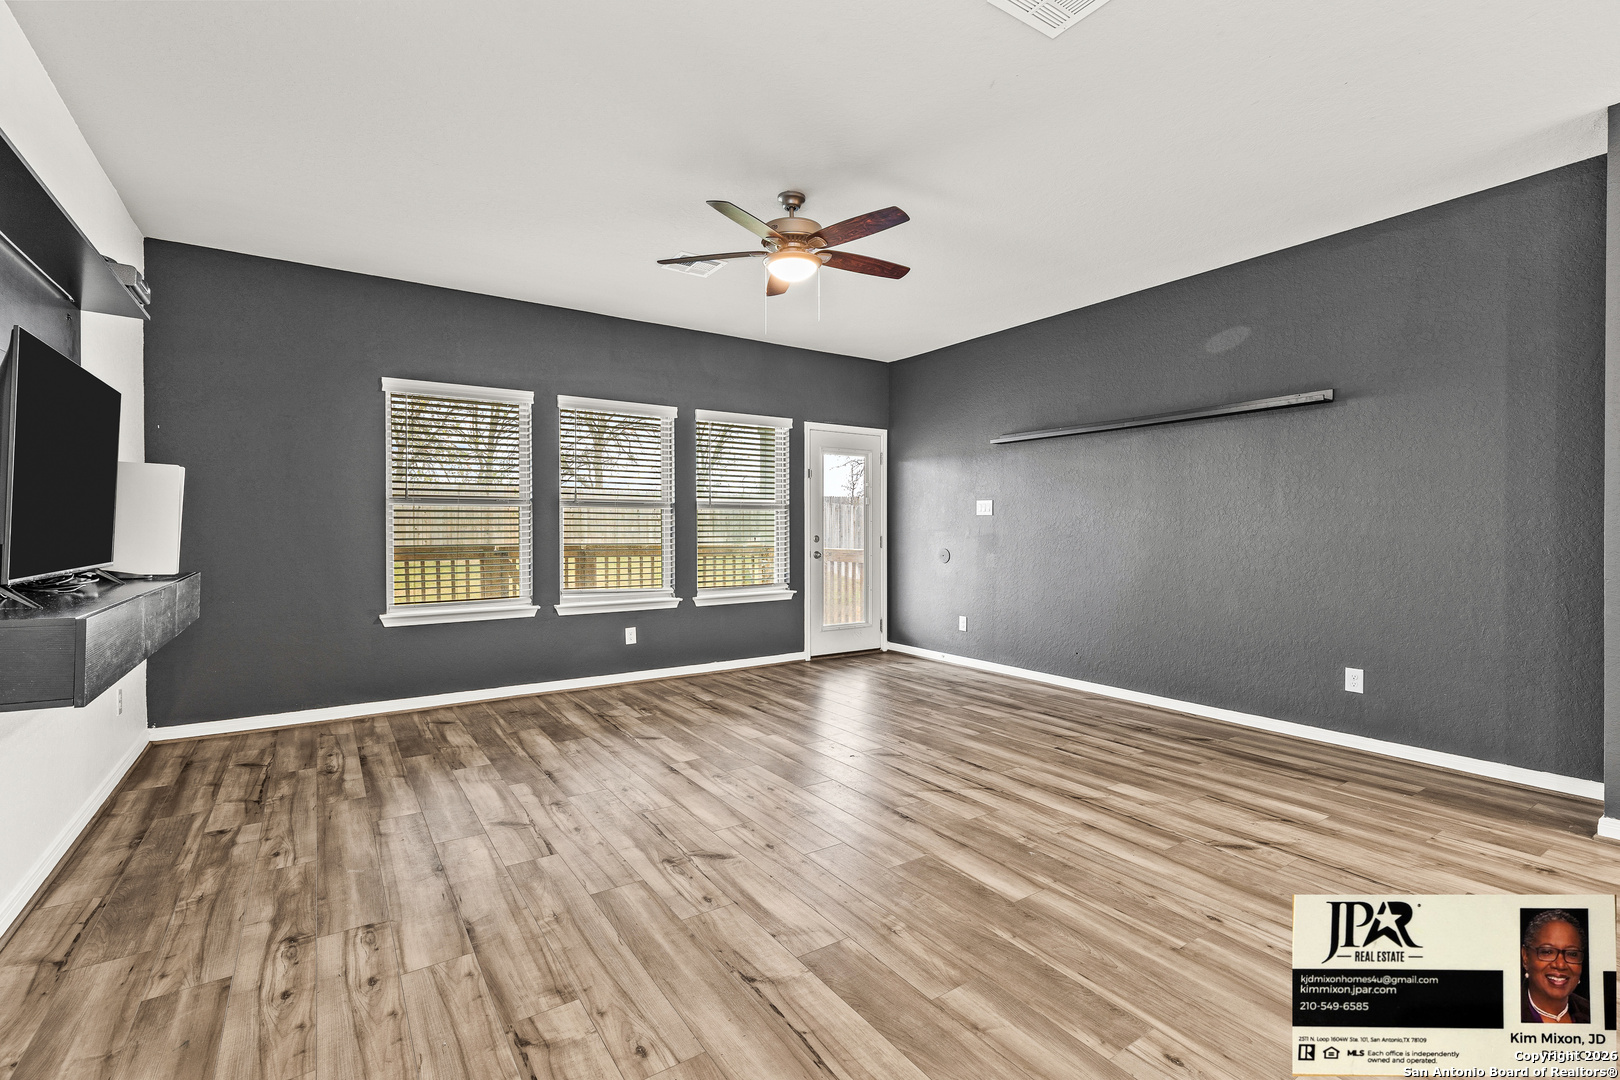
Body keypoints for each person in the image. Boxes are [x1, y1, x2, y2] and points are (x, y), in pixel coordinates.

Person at [1521, 909, 1590, 1024]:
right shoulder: (1505, 1013)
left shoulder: (1592, 1014)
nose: (1560, 964)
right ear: (1526, 957)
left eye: (1572, 954)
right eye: (1547, 952)